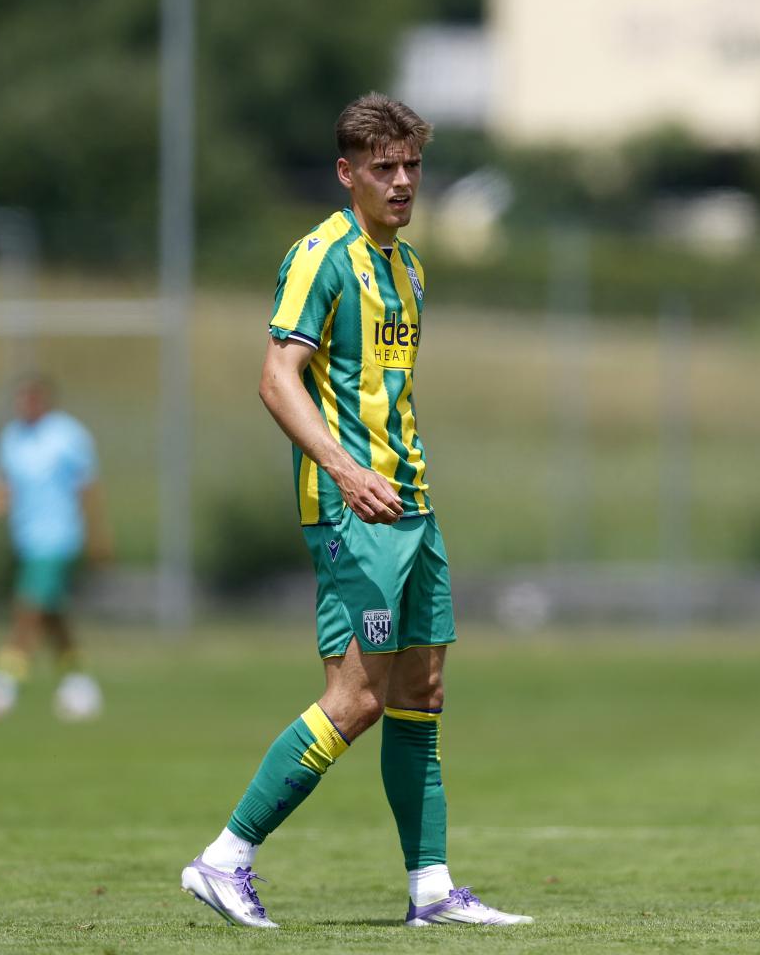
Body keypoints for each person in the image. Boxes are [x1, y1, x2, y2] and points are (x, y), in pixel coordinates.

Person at [180, 93, 532, 929]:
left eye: (412, 165)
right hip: (354, 515)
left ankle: (432, 890)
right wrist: (340, 469)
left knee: (423, 689)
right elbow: (277, 377)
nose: (404, 181)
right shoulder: (321, 256)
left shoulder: (408, 267)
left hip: (414, 509)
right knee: (356, 699)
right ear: (348, 175)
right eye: (385, 168)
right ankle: (225, 858)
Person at [0, 372, 112, 722]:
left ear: (45, 401)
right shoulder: (12, 439)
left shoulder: (69, 437)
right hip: (27, 539)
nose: (23, 406)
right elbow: (4, 486)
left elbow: (88, 489)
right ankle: (79, 684)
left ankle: (2, 686)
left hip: (59, 539)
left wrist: (98, 536)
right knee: (51, 613)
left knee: (27, 607)